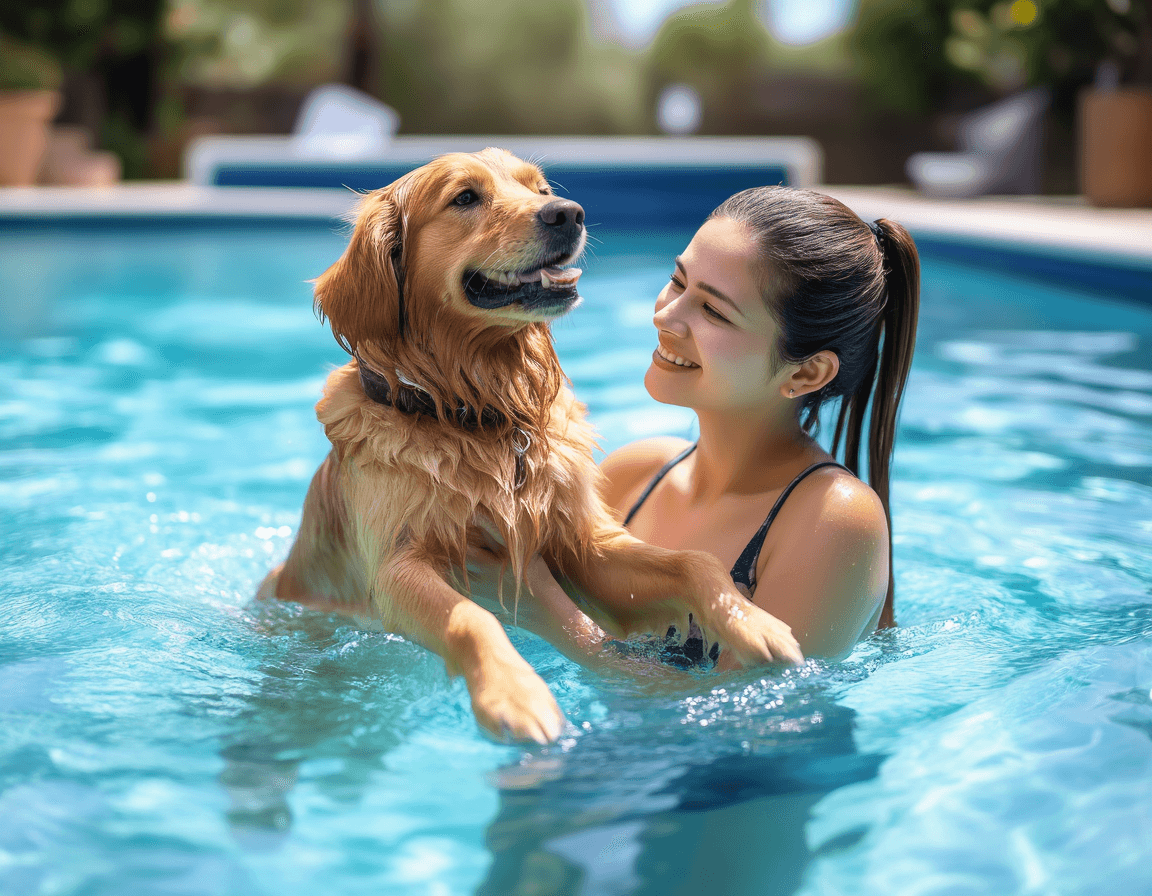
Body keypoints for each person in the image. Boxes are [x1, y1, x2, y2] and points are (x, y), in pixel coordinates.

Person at [470, 185, 919, 665]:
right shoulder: (632, 474)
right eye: (679, 281)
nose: (666, 315)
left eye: (713, 311)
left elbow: (745, 725)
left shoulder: (835, 519)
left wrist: (547, 617)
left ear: (806, 372)